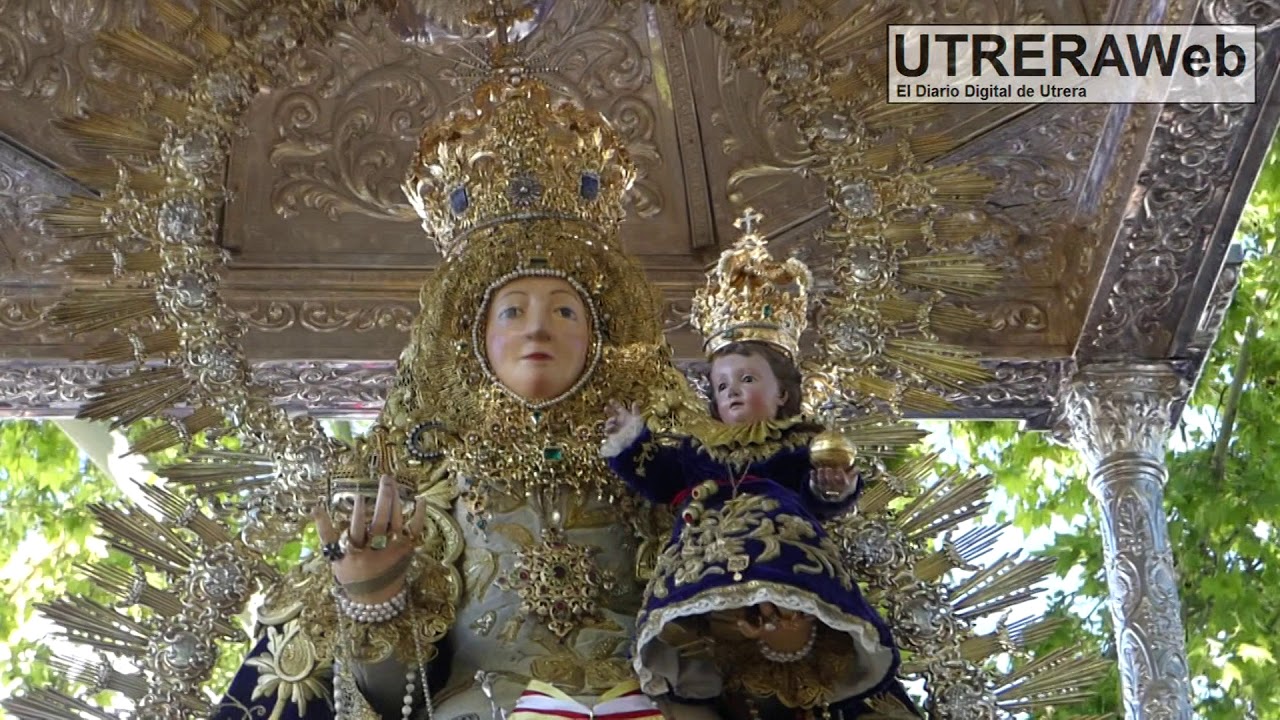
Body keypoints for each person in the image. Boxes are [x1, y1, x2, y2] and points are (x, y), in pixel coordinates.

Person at [601, 339, 900, 713]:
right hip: (703, 556)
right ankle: (705, 654)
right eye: (722, 386)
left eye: (747, 379)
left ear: (781, 395)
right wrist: (631, 437)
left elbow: (820, 494)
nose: (734, 392)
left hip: (784, 552)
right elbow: (659, 477)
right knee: (696, 625)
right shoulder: (697, 449)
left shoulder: (799, 443)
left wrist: (832, 486)